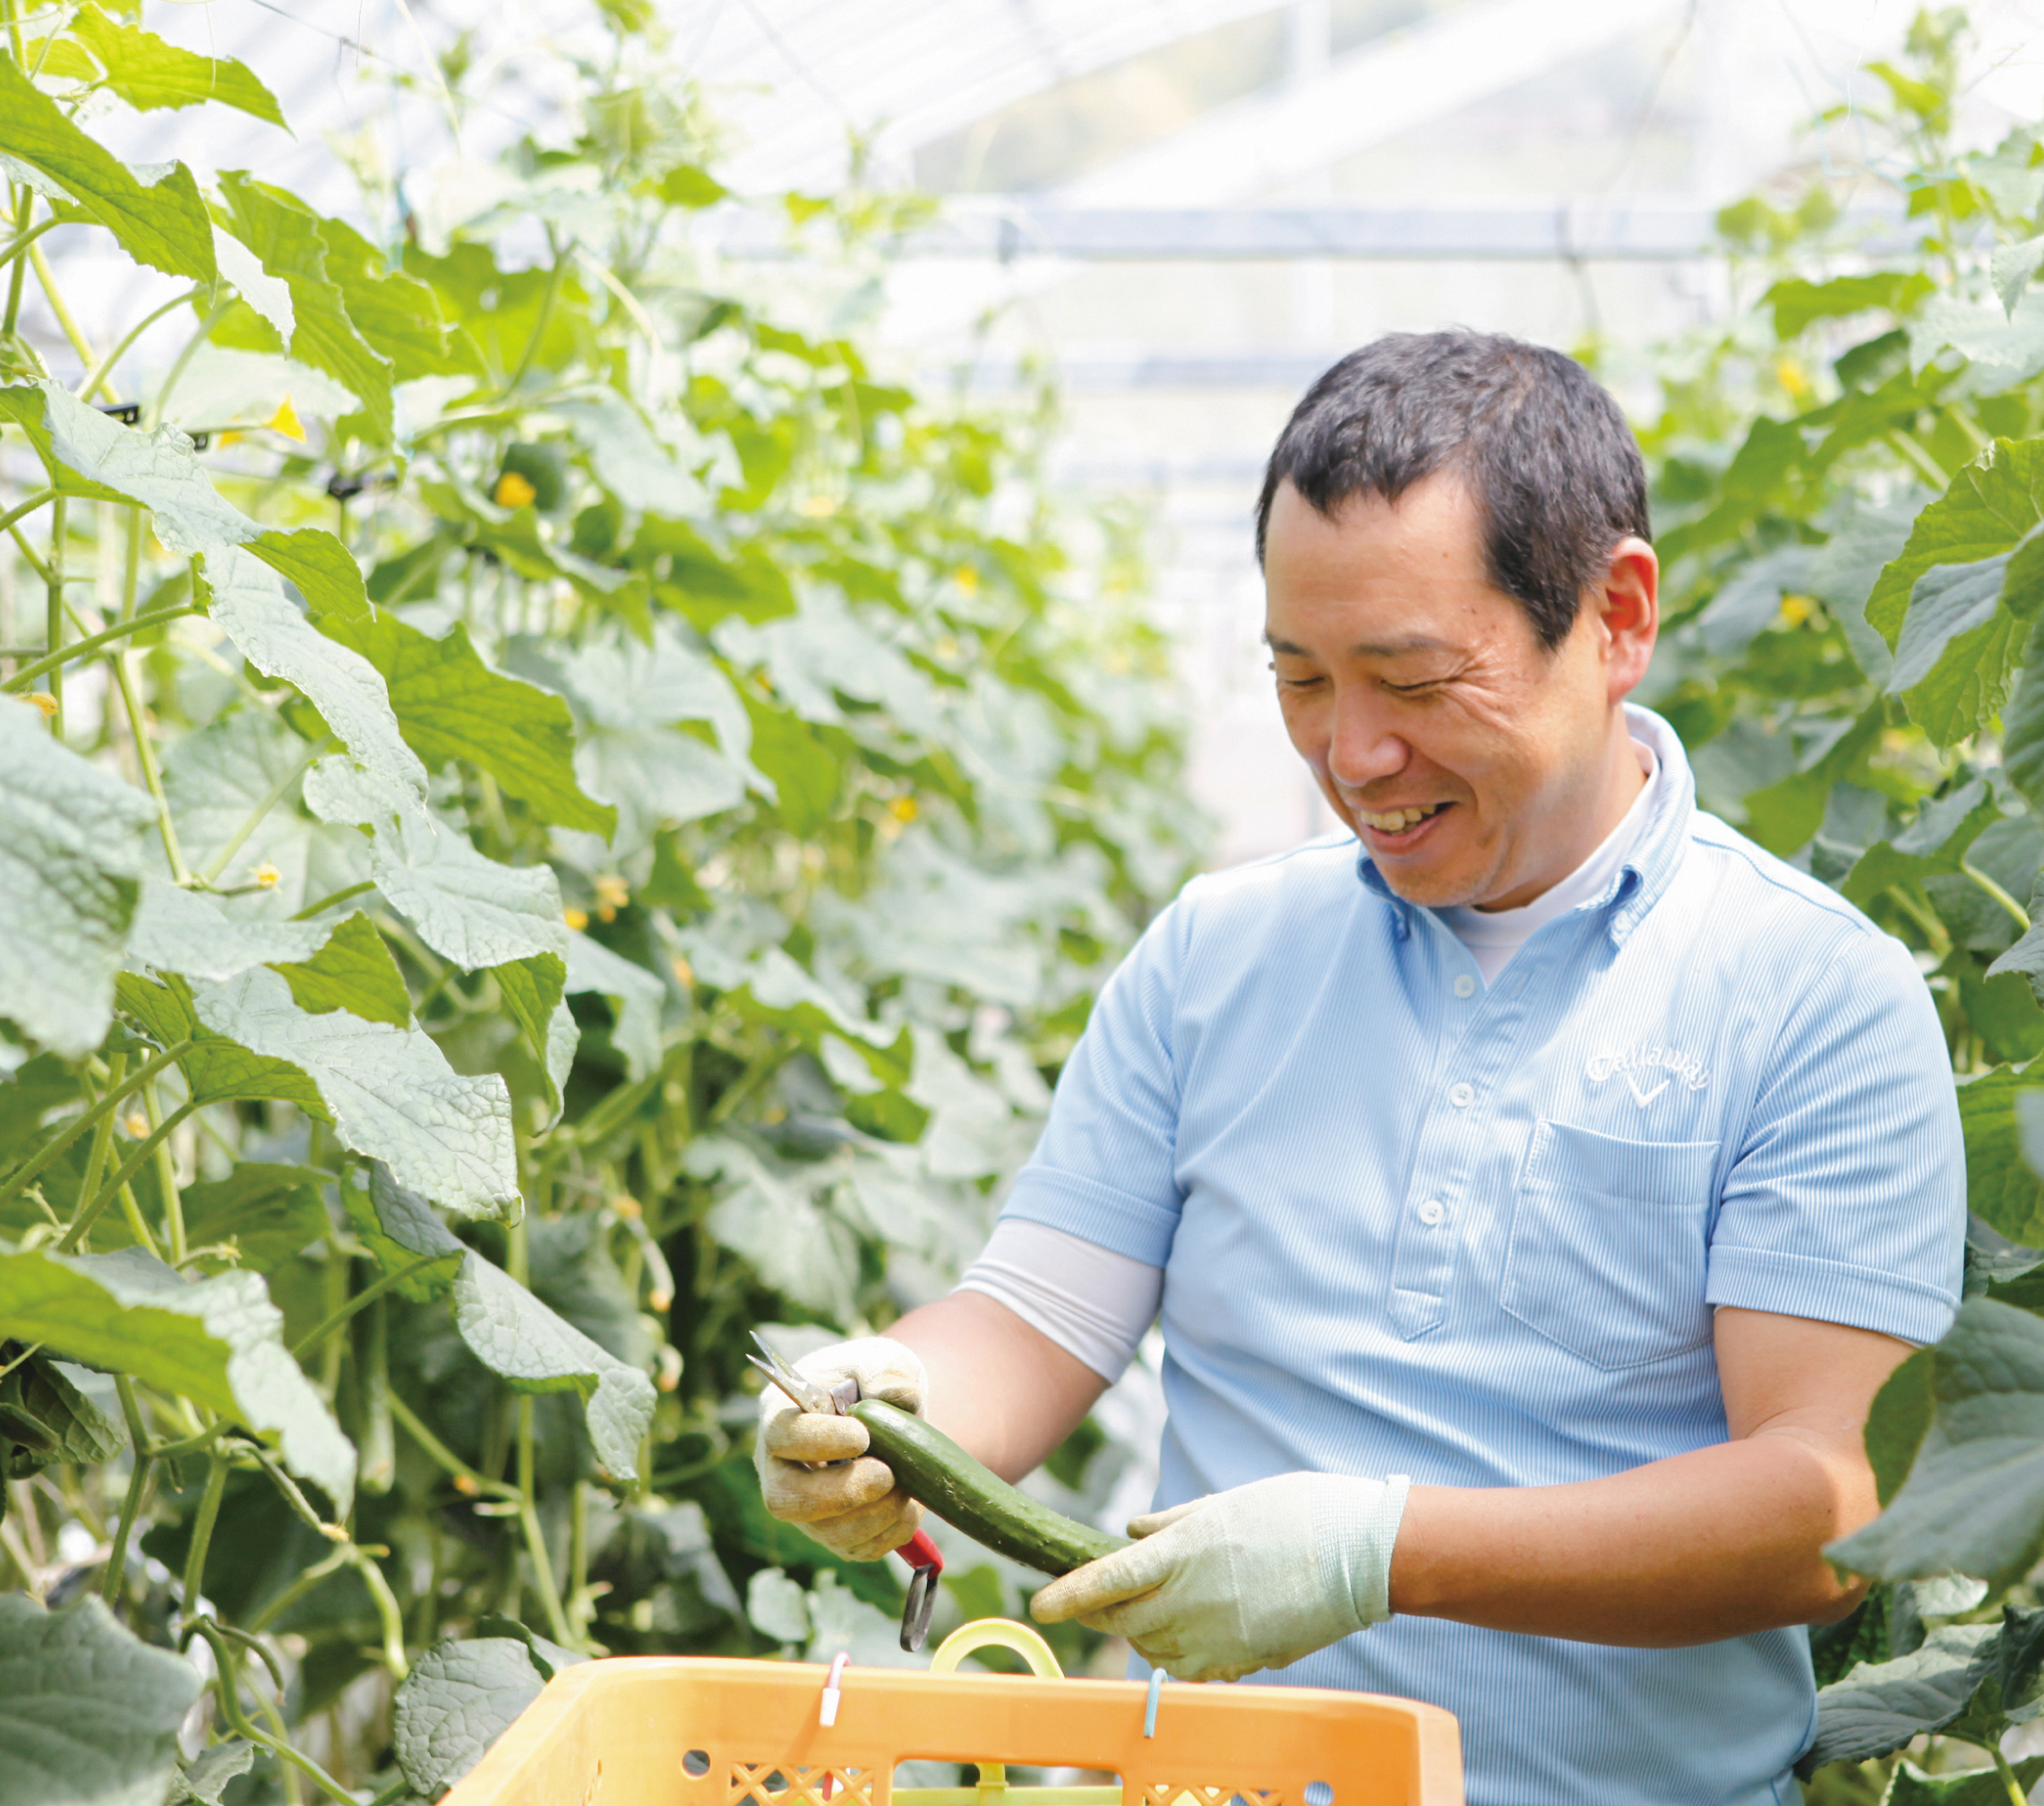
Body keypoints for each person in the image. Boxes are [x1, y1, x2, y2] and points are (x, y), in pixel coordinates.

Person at [754, 330, 1964, 1805]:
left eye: (1412, 678)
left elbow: (1829, 1506)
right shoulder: (1217, 955)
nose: (1355, 754)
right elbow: (1035, 1315)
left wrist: (1378, 1554)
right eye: (1302, 679)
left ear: (1617, 616)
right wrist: (894, 1407)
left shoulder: (1810, 994)